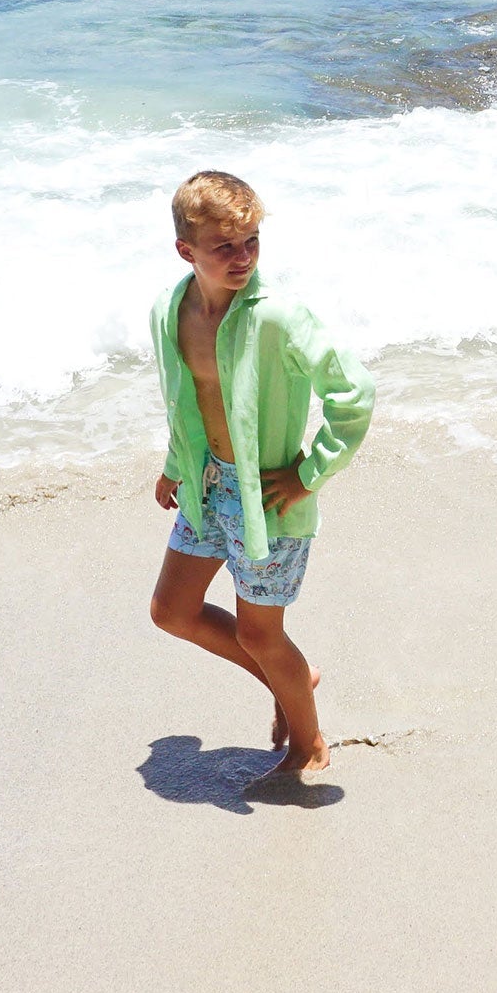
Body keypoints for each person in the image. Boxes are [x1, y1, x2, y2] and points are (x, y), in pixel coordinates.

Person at [148, 170, 374, 781]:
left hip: (268, 499)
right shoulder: (170, 310)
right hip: (206, 485)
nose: (242, 257)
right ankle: (291, 677)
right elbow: (185, 399)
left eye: (251, 241)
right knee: (172, 611)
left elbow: (354, 392)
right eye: (224, 246)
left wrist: (311, 472)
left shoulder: (279, 317)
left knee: (259, 631)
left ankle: (309, 744)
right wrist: (175, 467)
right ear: (186, 250)